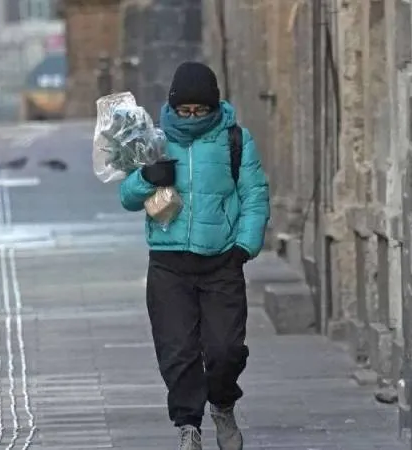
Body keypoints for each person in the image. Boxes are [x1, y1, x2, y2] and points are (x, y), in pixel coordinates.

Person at [119, 61, 270, 450]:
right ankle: (189, 426)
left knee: (226, 349)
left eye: (199, 111)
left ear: (213, 107)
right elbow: (127, 198)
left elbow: (254, 196)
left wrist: (244, 247)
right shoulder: (153, 140)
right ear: (172, 107)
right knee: (177, 351)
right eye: (183, 111)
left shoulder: (236, 139)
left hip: (222, 261)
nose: (190, 117)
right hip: (169, 263)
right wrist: (146, 178)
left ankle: (222, 404)